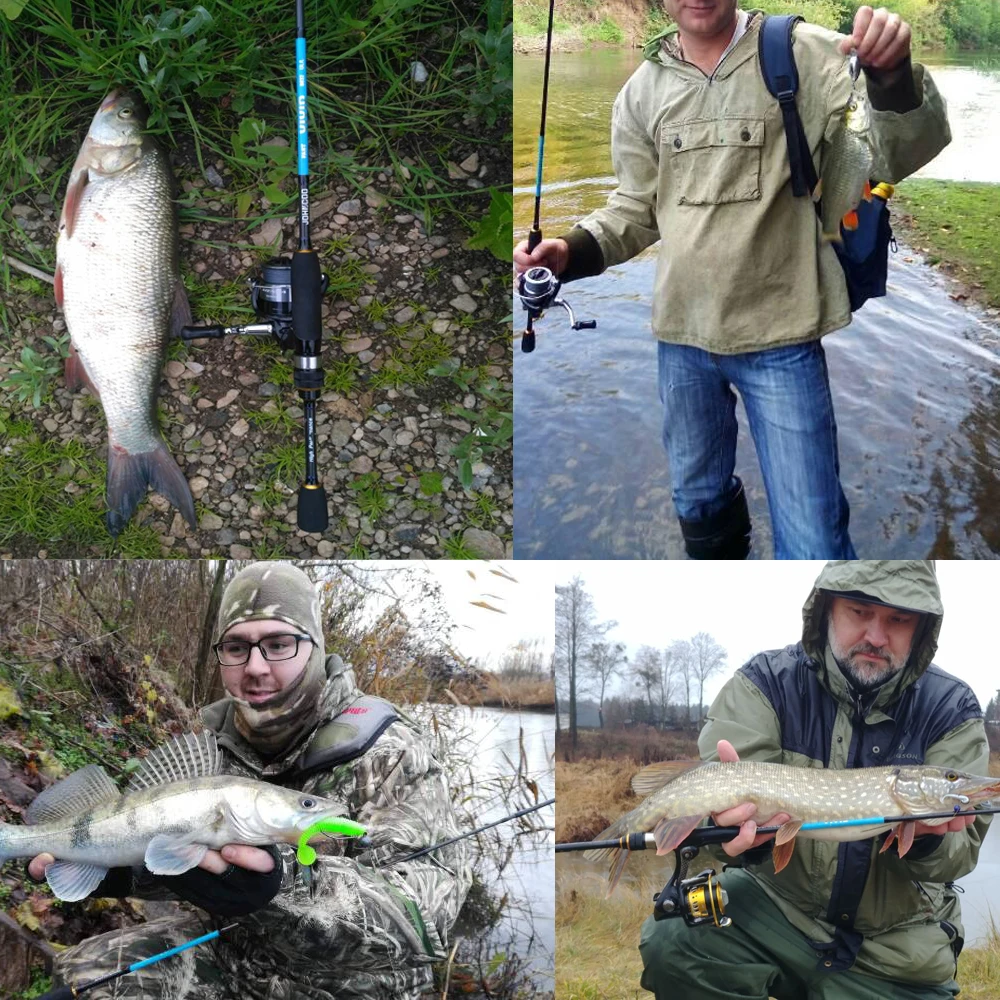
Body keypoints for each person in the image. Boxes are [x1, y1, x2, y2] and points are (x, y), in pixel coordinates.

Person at [513, 4, 951, 560]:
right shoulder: (641, 91)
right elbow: (634, 208)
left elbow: (901, 150)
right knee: (698, 507)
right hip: (681, 338)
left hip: (784, 339)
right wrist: (568, 251)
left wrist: (892, 73)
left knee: (813, 534)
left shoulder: (807, 53)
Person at [30, 561, 472, 1000]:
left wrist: (284, 886)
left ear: (315, 647)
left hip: (354, 983)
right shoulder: (212, 749)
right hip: (233, 951)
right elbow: (185, 860)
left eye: (279, 644)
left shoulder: (391, 750)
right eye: (237, 647)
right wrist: (124, 871)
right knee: (81, 985)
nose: (256, 667)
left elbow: (426, 920)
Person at [638, 559, 991, 999]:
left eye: (899, 620)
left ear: (922, 629)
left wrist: (926, 838)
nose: (877, 637)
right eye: (860, 612)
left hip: (897, 946)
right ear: (826, 609)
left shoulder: (951, 710)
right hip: (775, 906)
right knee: (675, 941)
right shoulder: (766, 683)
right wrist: (739, 838)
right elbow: (719, 834)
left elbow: (961, 853)